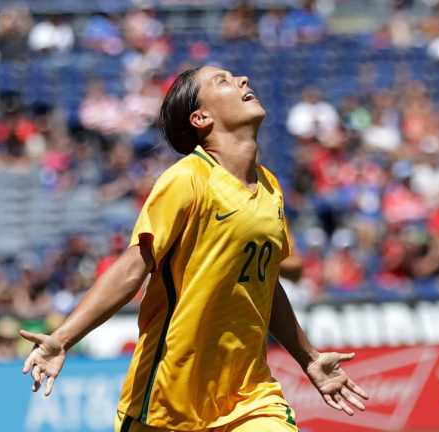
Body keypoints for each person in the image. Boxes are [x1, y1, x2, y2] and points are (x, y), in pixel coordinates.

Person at [19, 66, 368, 432]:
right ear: (201, 117)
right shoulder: (188, 179)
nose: (242, 81)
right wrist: (61, 339)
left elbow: (264, 285)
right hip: (166, 403)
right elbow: (132, 267)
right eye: (223, 81)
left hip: (249, 398)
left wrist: (308, 358)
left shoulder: (270, 188)